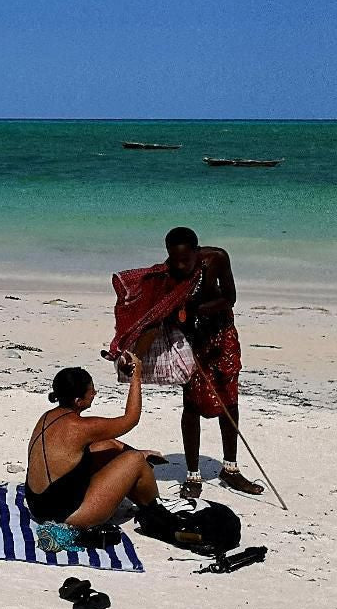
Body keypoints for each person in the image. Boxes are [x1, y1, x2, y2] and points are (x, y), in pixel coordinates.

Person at [164, 227, 263, 497]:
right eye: (176, 260)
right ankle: (193, 474)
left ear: (197, 253)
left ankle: (230, 469)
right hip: (193, 340)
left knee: (229, 399)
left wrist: (198, 309)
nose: (181, 265)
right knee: (192, 403)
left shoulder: (217, 259)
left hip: (221, 333)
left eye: (187, 259)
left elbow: (230, 297)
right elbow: (164, 313)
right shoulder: (168, 274)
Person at [25, 355, 165, 529]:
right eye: (91, 391)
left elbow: (103, 443)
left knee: (109, 445)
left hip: (37, 506)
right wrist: (136, 376)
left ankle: (143, 469)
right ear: (78, 401)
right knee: (134, 459)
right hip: (67, 516)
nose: (95, 393)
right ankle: (157, 509)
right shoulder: (80, 427)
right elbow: (131, 419)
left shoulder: (46, 417)